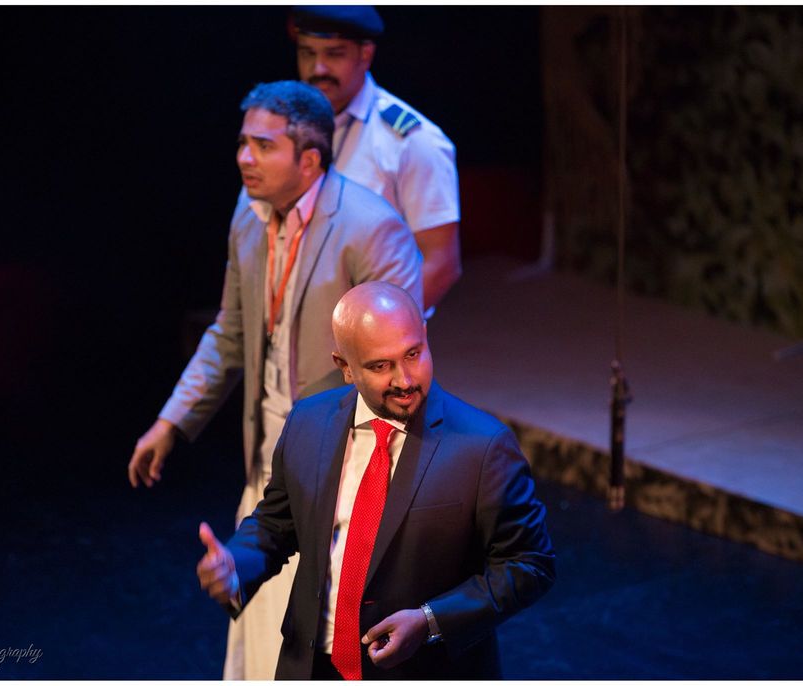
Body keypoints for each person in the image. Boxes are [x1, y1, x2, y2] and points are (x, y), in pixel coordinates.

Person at [128, 82, 424, 680]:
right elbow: (230, 333)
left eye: (263, 146)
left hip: (341, 465)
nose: (245, 158)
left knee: (318, 640)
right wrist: (171, 421)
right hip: (269, 454)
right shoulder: (249, 214)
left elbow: (397, 371)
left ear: (308, 160)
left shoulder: (371, 228)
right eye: (243, 143)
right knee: (260, 640)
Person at [197, 282, 555, 679]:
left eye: (413, 354)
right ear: (345, 367)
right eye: (380, 366)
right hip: (312, 667)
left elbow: (529, 564)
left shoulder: (483, 447)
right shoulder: (307, 422)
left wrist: (430, 621)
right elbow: (276, 523)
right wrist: (236, 564)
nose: (405, 379)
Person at [291, 6, 462, 312]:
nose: (318, 68)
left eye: (334, 54)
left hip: (367, 330)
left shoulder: (411, 141)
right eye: (307, 53)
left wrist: (378, 334)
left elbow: (442, 264)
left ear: (365, 54)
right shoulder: (291, 127)